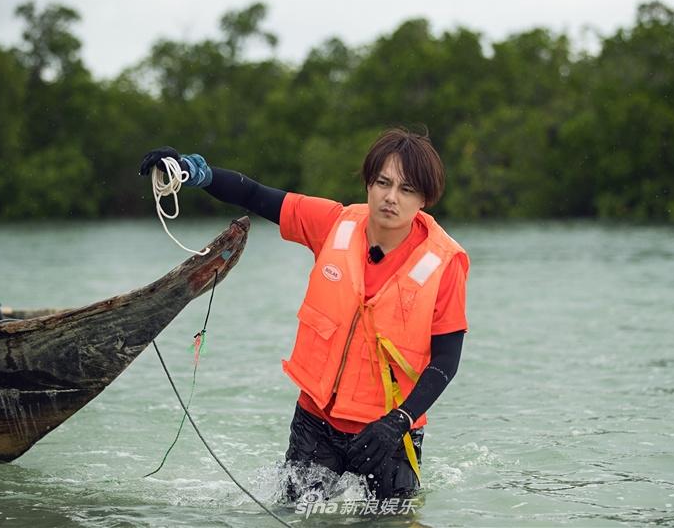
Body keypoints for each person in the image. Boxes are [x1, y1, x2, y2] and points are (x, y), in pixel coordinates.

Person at [139, 128, 469, 502]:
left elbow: (446, 361)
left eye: (407, 189)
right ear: (368, 183)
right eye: (383, 182)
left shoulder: (444, 263)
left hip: (388, 435)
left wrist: (400, 420)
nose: (391, 197)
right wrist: (194, 172)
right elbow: (255, 195)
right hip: (315, 424)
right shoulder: (333, 223)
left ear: (424, 199)